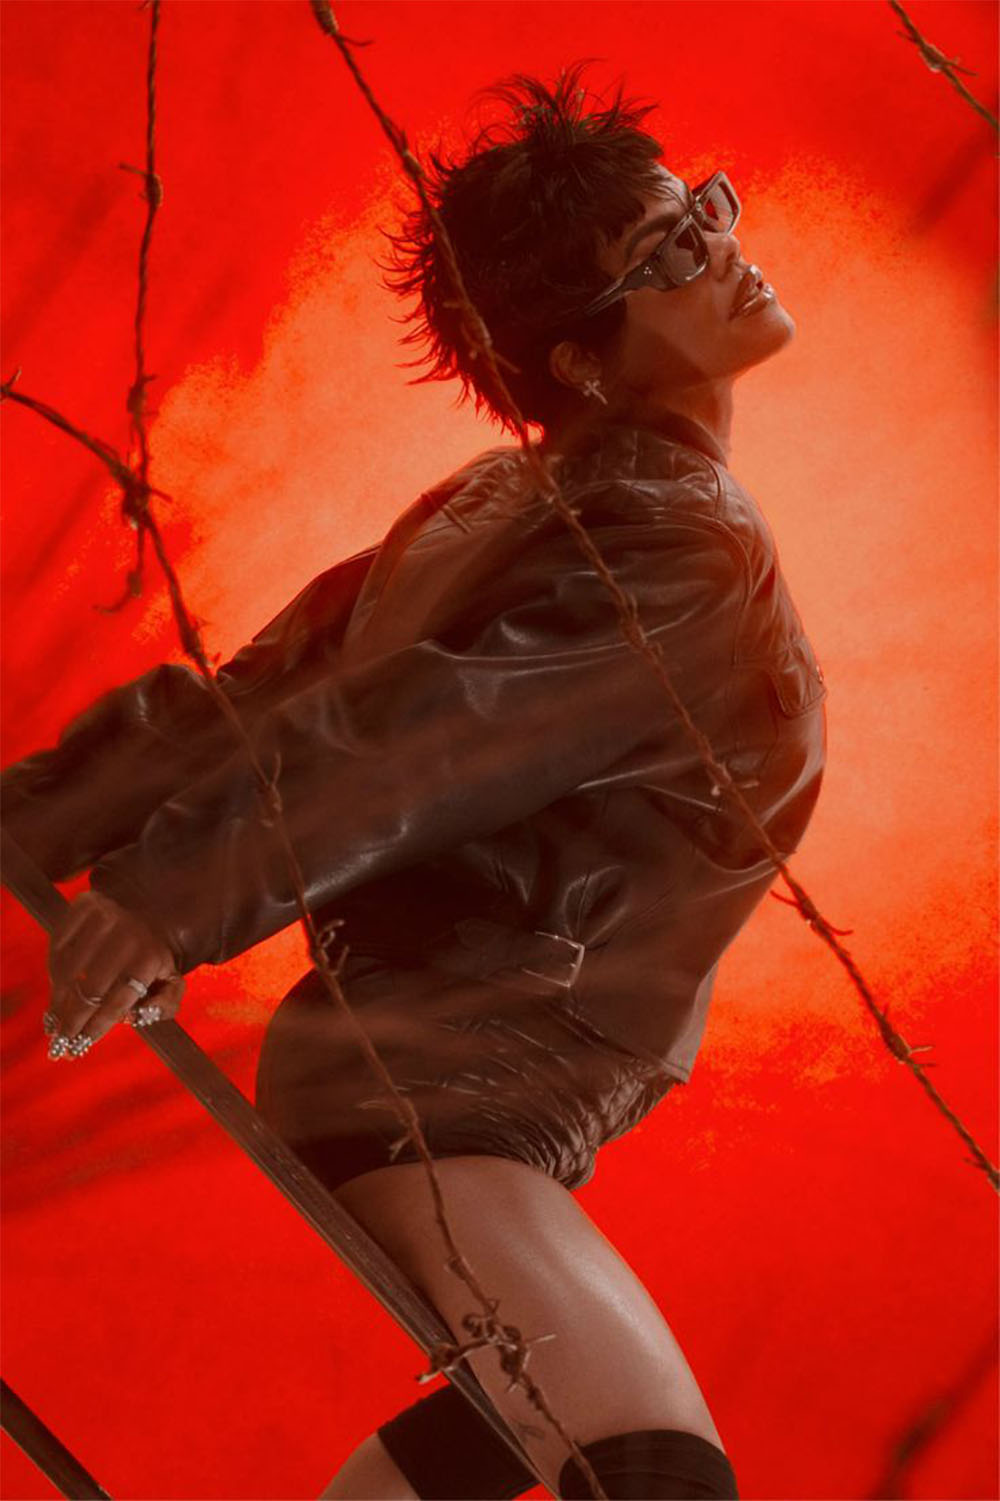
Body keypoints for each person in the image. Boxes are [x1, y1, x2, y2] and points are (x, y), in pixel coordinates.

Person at [1, 67, 827, 1500]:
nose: (721, 247)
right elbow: (438, 733)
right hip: (451, 1084)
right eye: (666, 251)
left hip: (435, 1070)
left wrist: (35, 819)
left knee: (507, 1438)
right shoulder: (672, 542)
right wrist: (172, 892)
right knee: (655, 1473)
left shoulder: (495, 507)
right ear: (580, 360)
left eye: (707, 208)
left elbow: (243, 715)